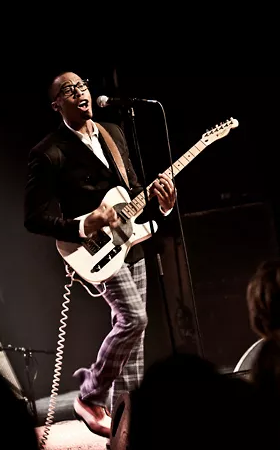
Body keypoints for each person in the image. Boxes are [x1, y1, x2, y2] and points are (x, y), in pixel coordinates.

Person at [24, 71, 176, 438]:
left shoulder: (114, 132)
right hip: (93, 251)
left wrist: (163, 204)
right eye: (69, 90)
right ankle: (91, 394)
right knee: (134, 319)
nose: (80, 92)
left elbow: (133, 190)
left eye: (83, 85)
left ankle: (129, 428)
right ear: (56, 104)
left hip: (130, 241)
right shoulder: (49, 152)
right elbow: (34, 218)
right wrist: (85, 224)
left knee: (135, 342)